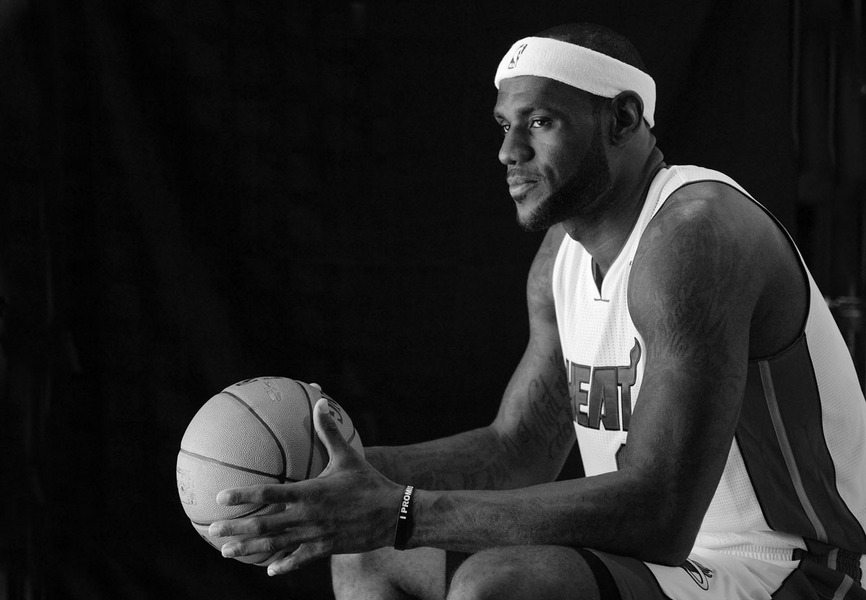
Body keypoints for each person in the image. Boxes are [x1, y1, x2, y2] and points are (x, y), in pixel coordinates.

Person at [207, 23, 866, 600]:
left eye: (540, 122)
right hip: (673, 570)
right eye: (504, 125)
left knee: (500, 587)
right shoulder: (563, 259)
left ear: (623, 120)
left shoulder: (697, 234)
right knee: (370, 549)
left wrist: (400, 511)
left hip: (792, 571)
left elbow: (661, 512)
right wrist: (331, 480)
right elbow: (518, 449)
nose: (507, 150)